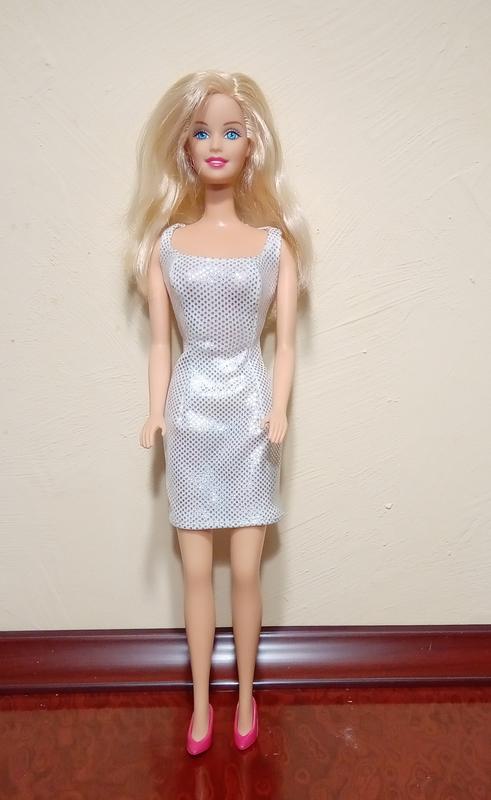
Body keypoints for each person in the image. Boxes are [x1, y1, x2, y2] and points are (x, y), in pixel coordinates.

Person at [125, 70, 312, 754]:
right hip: (191, 414)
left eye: (230, 132)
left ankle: (246, 694)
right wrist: (155, 411)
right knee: (196, 572)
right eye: (202, 132)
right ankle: (202, 702)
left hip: (252, 415)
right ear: (184, 147)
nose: (215, 145)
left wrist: (279, 408)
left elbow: (284, 344)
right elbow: (160, 343)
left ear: (249, 145)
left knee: (248, 571)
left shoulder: (273, 246)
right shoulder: (167, 246)